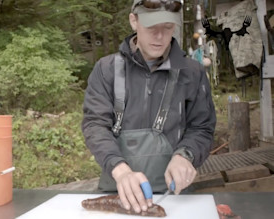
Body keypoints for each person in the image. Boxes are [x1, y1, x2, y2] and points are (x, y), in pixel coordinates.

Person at [82, 0, 216, 214]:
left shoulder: (193, 72)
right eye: (152, 27)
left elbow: (202, 127)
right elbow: (95, 125)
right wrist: (121, 171)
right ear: (134, 21)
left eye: (168, 27)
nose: (161, 37)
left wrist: (185, 155)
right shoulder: (105, 69)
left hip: (175, 196)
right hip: (116, 190)